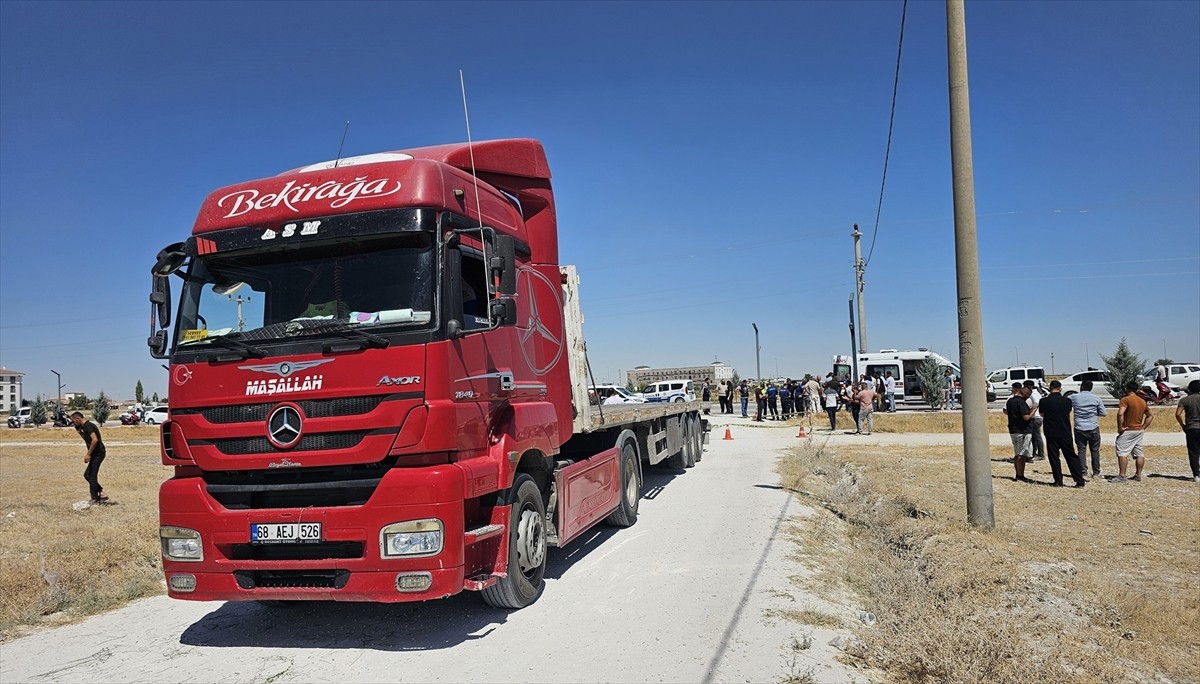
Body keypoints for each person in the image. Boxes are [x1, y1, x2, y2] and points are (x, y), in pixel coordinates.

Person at [1039, 380, 1086, 487]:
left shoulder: (1044, 401)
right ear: (1060, 388)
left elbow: (1042, 413)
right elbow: (1068, 412)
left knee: (1054, 456)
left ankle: (1058, 481)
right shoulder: (1067, 401)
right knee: (1071, 456)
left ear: (1050, 388)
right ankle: (1079, 480)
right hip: (1065, 432)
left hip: (1051, 432)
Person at [1114, 380, 1152, 482]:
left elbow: (1120, 413)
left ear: (1126, 389)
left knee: (1122, 452)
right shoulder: (1142, 401)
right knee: (1139, 453)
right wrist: (1143, 427)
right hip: (1139, 430)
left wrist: (1120, 427)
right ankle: (1138, 474)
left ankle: (1122, 475)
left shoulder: (1125, 400)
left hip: (1128, 429)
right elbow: (1150, 416)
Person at [1070, 379, 1108, 479]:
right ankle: (1096, 472)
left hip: (1079, 427)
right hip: (1093, 427)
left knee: (1081, 450)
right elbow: (1104, 413)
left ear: (1081, 387)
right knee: (1095, 450)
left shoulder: (1074, 397)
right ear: (1091, 388)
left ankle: (1083, 472)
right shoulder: (1096, 398)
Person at [71, 411, 108, 502]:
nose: (73, 423)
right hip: (95, 454)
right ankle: (101, 491)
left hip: (98, 453)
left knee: (92, 476)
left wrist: (88, 454)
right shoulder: (84, 427)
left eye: (74, 421)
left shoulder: (89, 426)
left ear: (78, 419)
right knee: (87, 475)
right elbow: (87, 438)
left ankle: (94, 499)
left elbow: (95, 440)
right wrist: (79, 431)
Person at [1004, 383, 1036, 481]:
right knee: (1022, 454)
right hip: (1023, 431)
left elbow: (1012, 412)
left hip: (1013, 429)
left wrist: (1028, 410)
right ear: (1025, 394)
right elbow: (1026, 417)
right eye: (1028, 395)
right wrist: (1033, 411)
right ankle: (1020, 475)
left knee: (1017, 453)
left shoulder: (1010, 401)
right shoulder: (1021, 402)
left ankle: (1018, 473)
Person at [1175, 380, 1200, 481]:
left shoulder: (1184, 400)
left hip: (1191, 427)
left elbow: (1177, 414)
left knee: (1193, 451)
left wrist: (1182, 425)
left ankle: (1196, 475)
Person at [1023, 379, 1045, 460]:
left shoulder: (1033, 393)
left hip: (1036, 417)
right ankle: (1035, 452)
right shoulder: (1036, 393)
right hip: (1037, 417)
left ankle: (1041, 454)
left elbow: (1037, 402)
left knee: (1037, 436)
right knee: (1034, 436)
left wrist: (1031, 409)